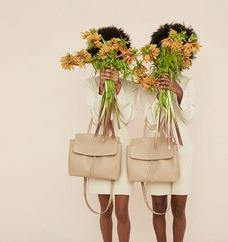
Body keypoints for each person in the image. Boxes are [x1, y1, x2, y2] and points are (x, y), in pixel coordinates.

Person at [139, 23, 196, 242]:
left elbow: (189, 117)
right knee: (159, 206)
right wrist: (158, 93)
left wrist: (178, 91)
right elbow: (152, 120)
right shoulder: (147, 83)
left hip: (182, 150)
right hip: (157, 148)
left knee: (179, 207)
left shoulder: (187, 82)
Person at [85, 26, 138, 242]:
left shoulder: (129, 85)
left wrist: (117, 86)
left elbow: (128, 117)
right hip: (100, 150)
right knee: (105, 209)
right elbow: (97, 117)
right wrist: (101, 88)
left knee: (121, 211)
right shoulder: (90, 84)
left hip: (123, 149)